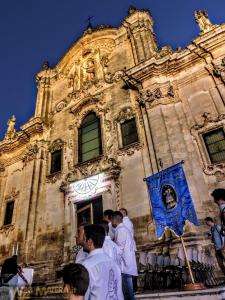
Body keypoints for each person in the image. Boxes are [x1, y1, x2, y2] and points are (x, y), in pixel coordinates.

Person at [82, 224, 124, 300]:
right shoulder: (114, 264)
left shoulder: (86, 266)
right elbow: (119, 294)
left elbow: (83, 296)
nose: (82, 241)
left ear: (90, 242)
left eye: (84, 238)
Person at [112, 211, 138, 300]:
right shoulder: (124, 229)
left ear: (115, 219)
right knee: (128, 293)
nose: (111, 223)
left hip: (124, 266)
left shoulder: (121, 230)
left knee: (128, 294)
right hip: (127, 264)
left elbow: (119, 248)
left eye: (112, 220)